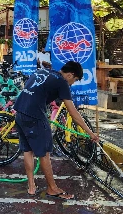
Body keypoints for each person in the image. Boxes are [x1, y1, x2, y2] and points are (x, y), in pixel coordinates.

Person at [13, 61, 99, 199]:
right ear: (70, 75)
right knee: (44, 153)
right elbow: (73, 113)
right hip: (34, 116)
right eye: (75, 80)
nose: (72, 84)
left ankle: (31, 186)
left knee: (28, 151)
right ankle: (52, 188)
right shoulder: (62, 82)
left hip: (20, 112)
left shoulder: (43, 71)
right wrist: (90, 133)